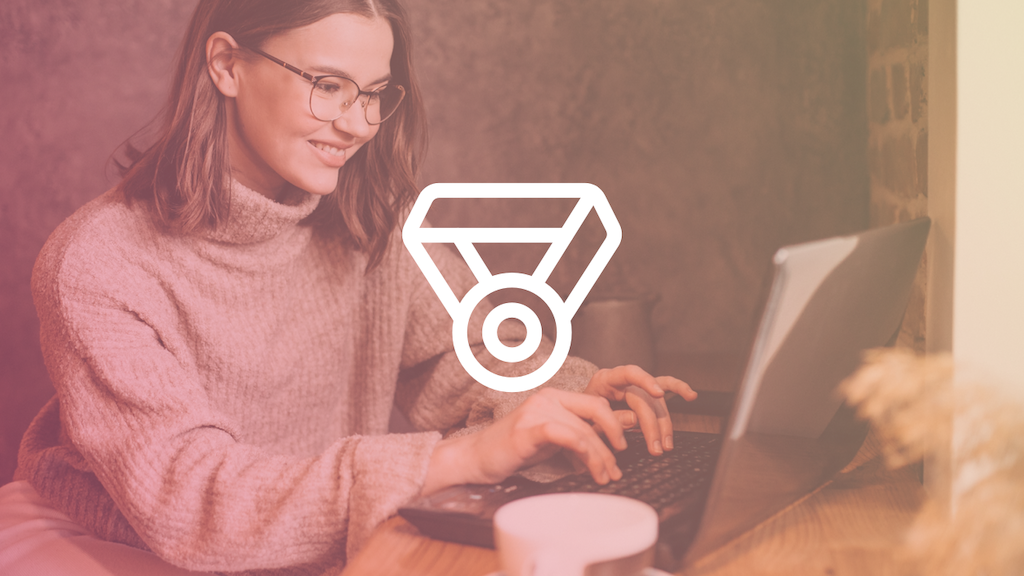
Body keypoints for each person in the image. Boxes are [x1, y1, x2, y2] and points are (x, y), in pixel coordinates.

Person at [0, 0, 696, 574]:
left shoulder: (365, 224)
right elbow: (193, 502)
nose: (358, 123)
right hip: (116, 545)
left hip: (302, 537)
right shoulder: (94, 263)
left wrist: (572, 392)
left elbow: (460, 360)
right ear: (225, 65)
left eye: (373, 93)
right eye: (327, 85)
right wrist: (462, 457)